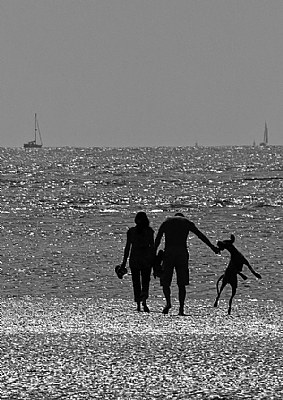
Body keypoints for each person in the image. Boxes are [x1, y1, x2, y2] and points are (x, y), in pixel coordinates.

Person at [154, 212, 219, 315]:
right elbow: (200, 235)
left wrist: (153, 255)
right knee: (182, 283)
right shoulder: (186, 222)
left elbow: (157, 240)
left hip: (169, 252)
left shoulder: (166, 222)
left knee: (166, 281)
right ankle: (181, 308)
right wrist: (212, 247)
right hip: (182, 253)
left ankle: (168, 303)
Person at [121, 211, 154, 312]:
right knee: (145, 281)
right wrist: (154, 261)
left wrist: (123, 263)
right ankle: (144, 301)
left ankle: (139, 304)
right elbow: (152, 247)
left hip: (134, 258)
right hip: (146, 258)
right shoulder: (149, 231)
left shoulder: (131, 231)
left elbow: (127, 248)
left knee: (136, 282)